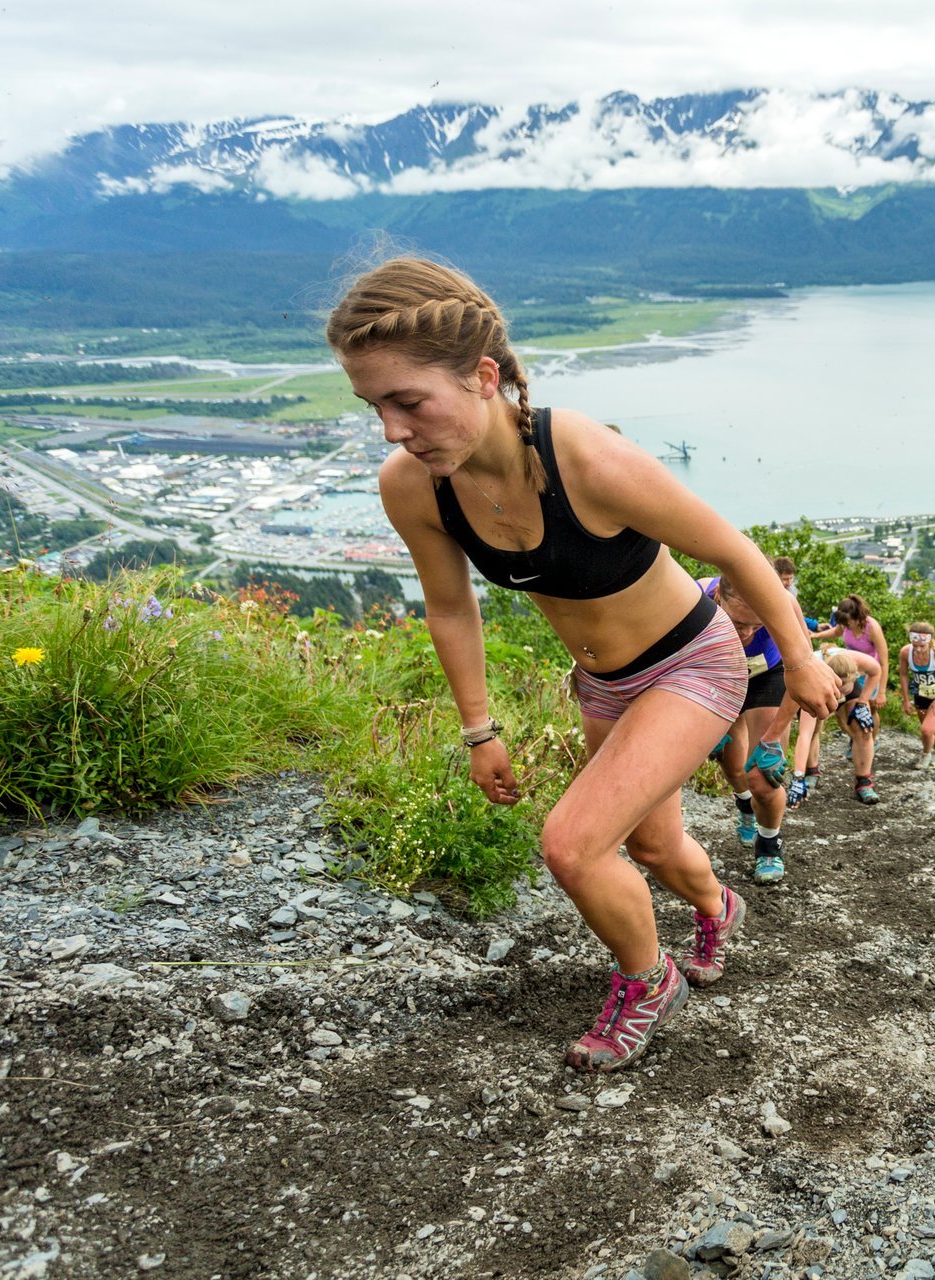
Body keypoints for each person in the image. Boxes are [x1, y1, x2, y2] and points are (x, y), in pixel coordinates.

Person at [329, 257, 837, 1073]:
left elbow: (734, 550)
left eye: (408, 401)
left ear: (483, 376)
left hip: (692, 664)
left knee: (571, 844)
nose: (392, 429)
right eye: (374, 406)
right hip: (604, 684)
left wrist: (803, 659)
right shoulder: (417, 487)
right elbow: (451, 607)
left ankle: (646, 979)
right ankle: (717, 906)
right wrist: (478, 731)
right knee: (654, 849)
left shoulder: (587, 460)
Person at [701, 569, 802, 885]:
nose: (746, 633)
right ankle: (743, 804)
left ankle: (769, 843)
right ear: (719, 599)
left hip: (767, 678)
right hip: (720, 675)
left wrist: (773, 738)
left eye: (758, 626)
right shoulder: (695, 597)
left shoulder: (784, 604)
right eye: (738, 623)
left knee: (762, 775)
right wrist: (704, 722)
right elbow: (673, 664)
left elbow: (802, 674)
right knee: (732, 766)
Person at [821, 645, 884, 802]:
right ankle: (810, 772)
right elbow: (806, 733)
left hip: (850, 686)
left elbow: (877, 671)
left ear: (854, 675)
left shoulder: (857, 661)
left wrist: (862, 702)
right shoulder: (817, 665)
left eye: (842, 690)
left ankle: (864, 782)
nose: (840, 694)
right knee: (814, 729)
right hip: (821, 683)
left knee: (863, 728)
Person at [899, 621, 935, 770]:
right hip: (921, 696)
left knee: (926, 730)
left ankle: (926, 755)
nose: (917, 649)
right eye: (914, 645)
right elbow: (903, 675)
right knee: (931, 728)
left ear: (930, 642)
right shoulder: (905, 652)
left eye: (922, 646)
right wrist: (906, 699)